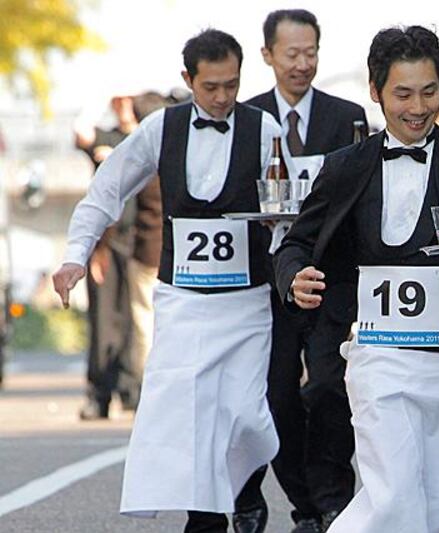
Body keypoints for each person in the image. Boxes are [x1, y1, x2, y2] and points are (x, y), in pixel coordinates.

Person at [274, 25, 439, 533]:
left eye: (429, 91)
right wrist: (294, 277)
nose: (418, 107)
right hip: (380, 356)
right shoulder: (347, 166)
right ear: (375, 91)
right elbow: (298, 241)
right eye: (403, 94)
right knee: (394, 500)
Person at [52, 29, 281, 533]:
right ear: (188, 80)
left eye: (232, 85)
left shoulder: (265, 130)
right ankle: (205, 516)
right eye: (211, 86)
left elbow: (289, 205)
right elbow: (106, 190)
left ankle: (244, 487)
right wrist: (75, 254)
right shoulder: (161, 128)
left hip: (247, 301)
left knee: (246, 414)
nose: (222, 97)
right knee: (190, 412)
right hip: (181, 300)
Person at [244, 10, 367, 532]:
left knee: (327, 389)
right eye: (291, 54)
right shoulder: (247, 119)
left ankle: (333, 499)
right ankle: (305, 503)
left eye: (311, 52)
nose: (302, 64)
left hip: (327, 278)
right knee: (276, 397)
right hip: (265, 283)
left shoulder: (348, 117)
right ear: (268, 55)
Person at [73, 95, 139, 419]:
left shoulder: (151, 137)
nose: (125, 107)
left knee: (136, 323)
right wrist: (101, 94)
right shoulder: (108, 138)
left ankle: (132, 391)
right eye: (120, 101)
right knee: (103, 323)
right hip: (108, 245)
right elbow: (80, 131)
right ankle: (99, 393)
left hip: (143, 243)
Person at [124, 91, 169, 410]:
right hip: (176, 255)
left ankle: (149, 390)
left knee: (144, 325)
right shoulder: (178, 151)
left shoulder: (141, 156)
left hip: (144, 251)